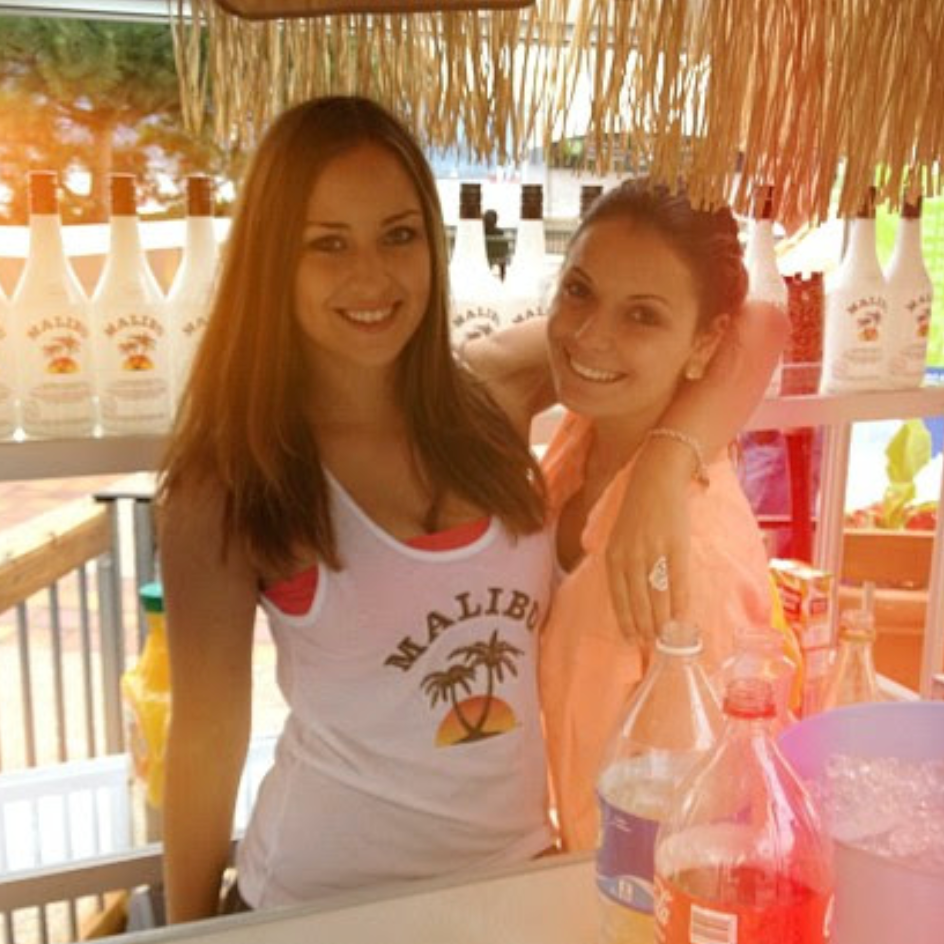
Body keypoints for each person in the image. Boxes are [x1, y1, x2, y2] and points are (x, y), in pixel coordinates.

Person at [158, 96, 784, 921]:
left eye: (399, 234)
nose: (372, 277)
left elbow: (750, 325)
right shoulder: (229, 477)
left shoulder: (490, 389)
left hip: (514, 884)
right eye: (327, 244)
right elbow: (205, 740)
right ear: (274, 259)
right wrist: (185, 933)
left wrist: (668, 465)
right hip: (319, 903)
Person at [535, 180, 776, 852]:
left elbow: (715, 822)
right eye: (578, 290)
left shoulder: (695, 554)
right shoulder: (578, 448)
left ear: (706, 343)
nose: (588, 336)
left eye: (642, 316)